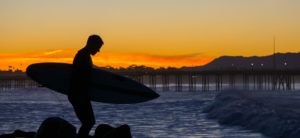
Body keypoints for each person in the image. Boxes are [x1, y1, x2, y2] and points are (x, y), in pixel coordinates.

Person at [68, 35, 104, 138]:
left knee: (88, 122)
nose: (98, 50)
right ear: (91, 44)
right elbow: (80, 77)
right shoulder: (82, 56)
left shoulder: (84, 55)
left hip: (80, 94)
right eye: (98, 47)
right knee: (89, 122)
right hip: (78, 94)